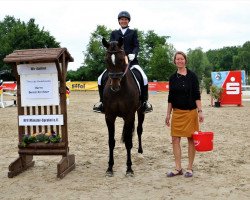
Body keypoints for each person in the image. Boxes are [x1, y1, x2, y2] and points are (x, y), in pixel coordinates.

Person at [93, 11, 153, 114]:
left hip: (132, 62)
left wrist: (134, 54)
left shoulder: (133, 32)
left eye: (125, 19)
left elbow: (136, 45)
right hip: (117, 63)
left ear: (128, 21)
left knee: (144, 77)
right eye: (121, 19)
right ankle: (102, 103)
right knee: (100, 78)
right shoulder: (114, 33)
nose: (123, 21)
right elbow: (111, 46)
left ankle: (144, 102)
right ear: (119, 21)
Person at [165, 51, 204, 178]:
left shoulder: (192, 76)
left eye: (182, 59)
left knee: (191, 139)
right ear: (175, 61)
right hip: (177, 113)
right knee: (175, 139)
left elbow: (197, 95)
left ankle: (189, 168)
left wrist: (200, 111)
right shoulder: (172, 78)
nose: (179, 61)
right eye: (177, 59)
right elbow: (170, 97)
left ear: (185, 61)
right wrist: (168, 114)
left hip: (190, 113)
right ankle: (178, 168)